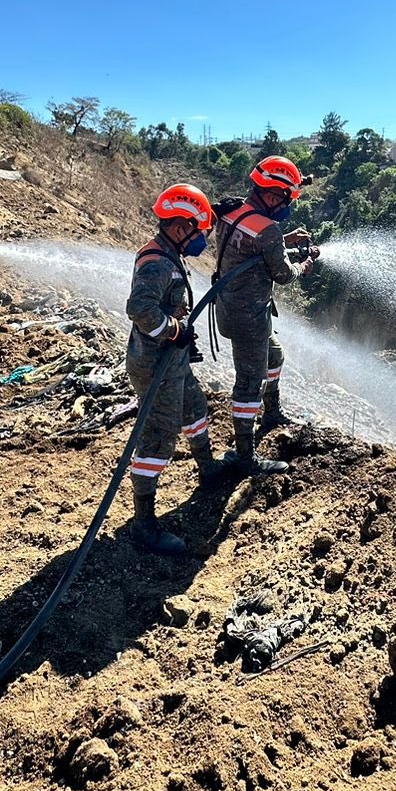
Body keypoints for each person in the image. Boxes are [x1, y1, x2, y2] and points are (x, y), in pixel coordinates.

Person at [123, 184, 223, 553]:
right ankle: (144, 524)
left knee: (195, 410)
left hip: (173, 360)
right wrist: (175, 329)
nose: (202, 239)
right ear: (181, 227)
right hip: (156, 364)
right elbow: (141, 310)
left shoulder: (169, 254)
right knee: (159, 439)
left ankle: (208, 468)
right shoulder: (158, 263)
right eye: (199, 231)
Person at [212, 155, 315, 475]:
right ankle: (246, 458)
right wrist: (304, 265)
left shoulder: (232, 211)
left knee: (275, 357)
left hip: (230, 307)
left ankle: (272, 413)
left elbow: (246, 246)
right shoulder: (267, 229)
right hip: (249, 317)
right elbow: (283, 274)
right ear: (270, 194)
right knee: (248, 383)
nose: (286, 205)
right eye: (285, 198)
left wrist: (285, 240)